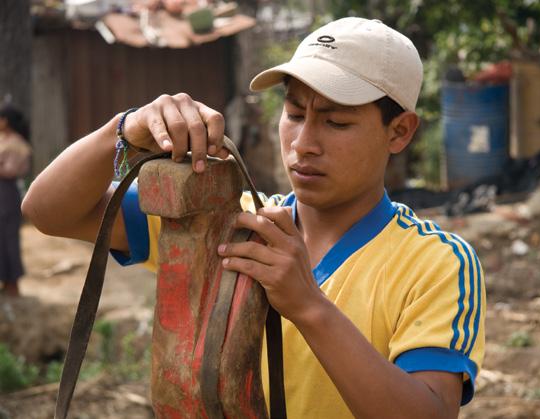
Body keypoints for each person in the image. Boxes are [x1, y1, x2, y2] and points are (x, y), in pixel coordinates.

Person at [23, 17, 485, 418]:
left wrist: (308, 306)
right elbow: (47, 211)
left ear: (399, 131)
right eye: (294, 113)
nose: (303, 142)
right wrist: (124, 130)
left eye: (336, 122)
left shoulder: (435, 263)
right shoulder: (226, 223)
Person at [0, 104, 31, 297]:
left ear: (6, 121)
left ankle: (13, 284)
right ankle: (4, 280)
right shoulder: (4, 140)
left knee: (9, 237)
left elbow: (10, 171)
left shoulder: (18, 144)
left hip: (7, 194)